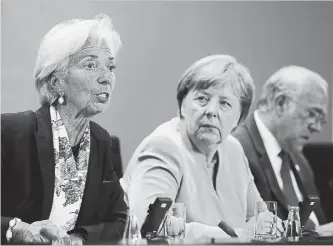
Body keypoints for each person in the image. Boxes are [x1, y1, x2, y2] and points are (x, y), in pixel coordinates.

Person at [121, 55, 284, 242]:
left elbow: (258, 217)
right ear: (182, 105)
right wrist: (236, 236)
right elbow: (150, 228)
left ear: (239, 119)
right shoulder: (163, 147)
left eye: (225, 103)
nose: (211, 111)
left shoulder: (233, 150)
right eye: (202, 99)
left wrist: (268, 225)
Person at [1, 14, 127, 244]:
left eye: (110, 67)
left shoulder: (101, 141)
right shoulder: (10, 131)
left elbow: (119, 219)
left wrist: (79, 238)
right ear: (56, 81)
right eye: (90, 65)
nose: (106, 78)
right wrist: (16, 229)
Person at [233, 65, 333, 236]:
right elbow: (252, 230)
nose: (316, 127)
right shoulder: (237, 150)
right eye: (312, 114)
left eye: (321, 119)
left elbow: (318, 218)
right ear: (280, 103)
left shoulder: (300, 160)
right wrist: (318, 233)